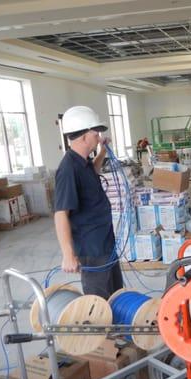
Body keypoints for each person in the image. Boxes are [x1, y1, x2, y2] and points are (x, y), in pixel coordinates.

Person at [54, 105, 123, 300]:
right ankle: (103, 330)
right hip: (90, 248)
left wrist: (102, 152)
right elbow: (61, 214)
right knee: (99, 298)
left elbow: (93, 171)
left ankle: (117, 327)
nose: (99, 137)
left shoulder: (82, 162)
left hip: (105, 242)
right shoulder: (68, 168)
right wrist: (68, 254)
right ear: (84, 136)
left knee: (116, 292)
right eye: (96, 134)